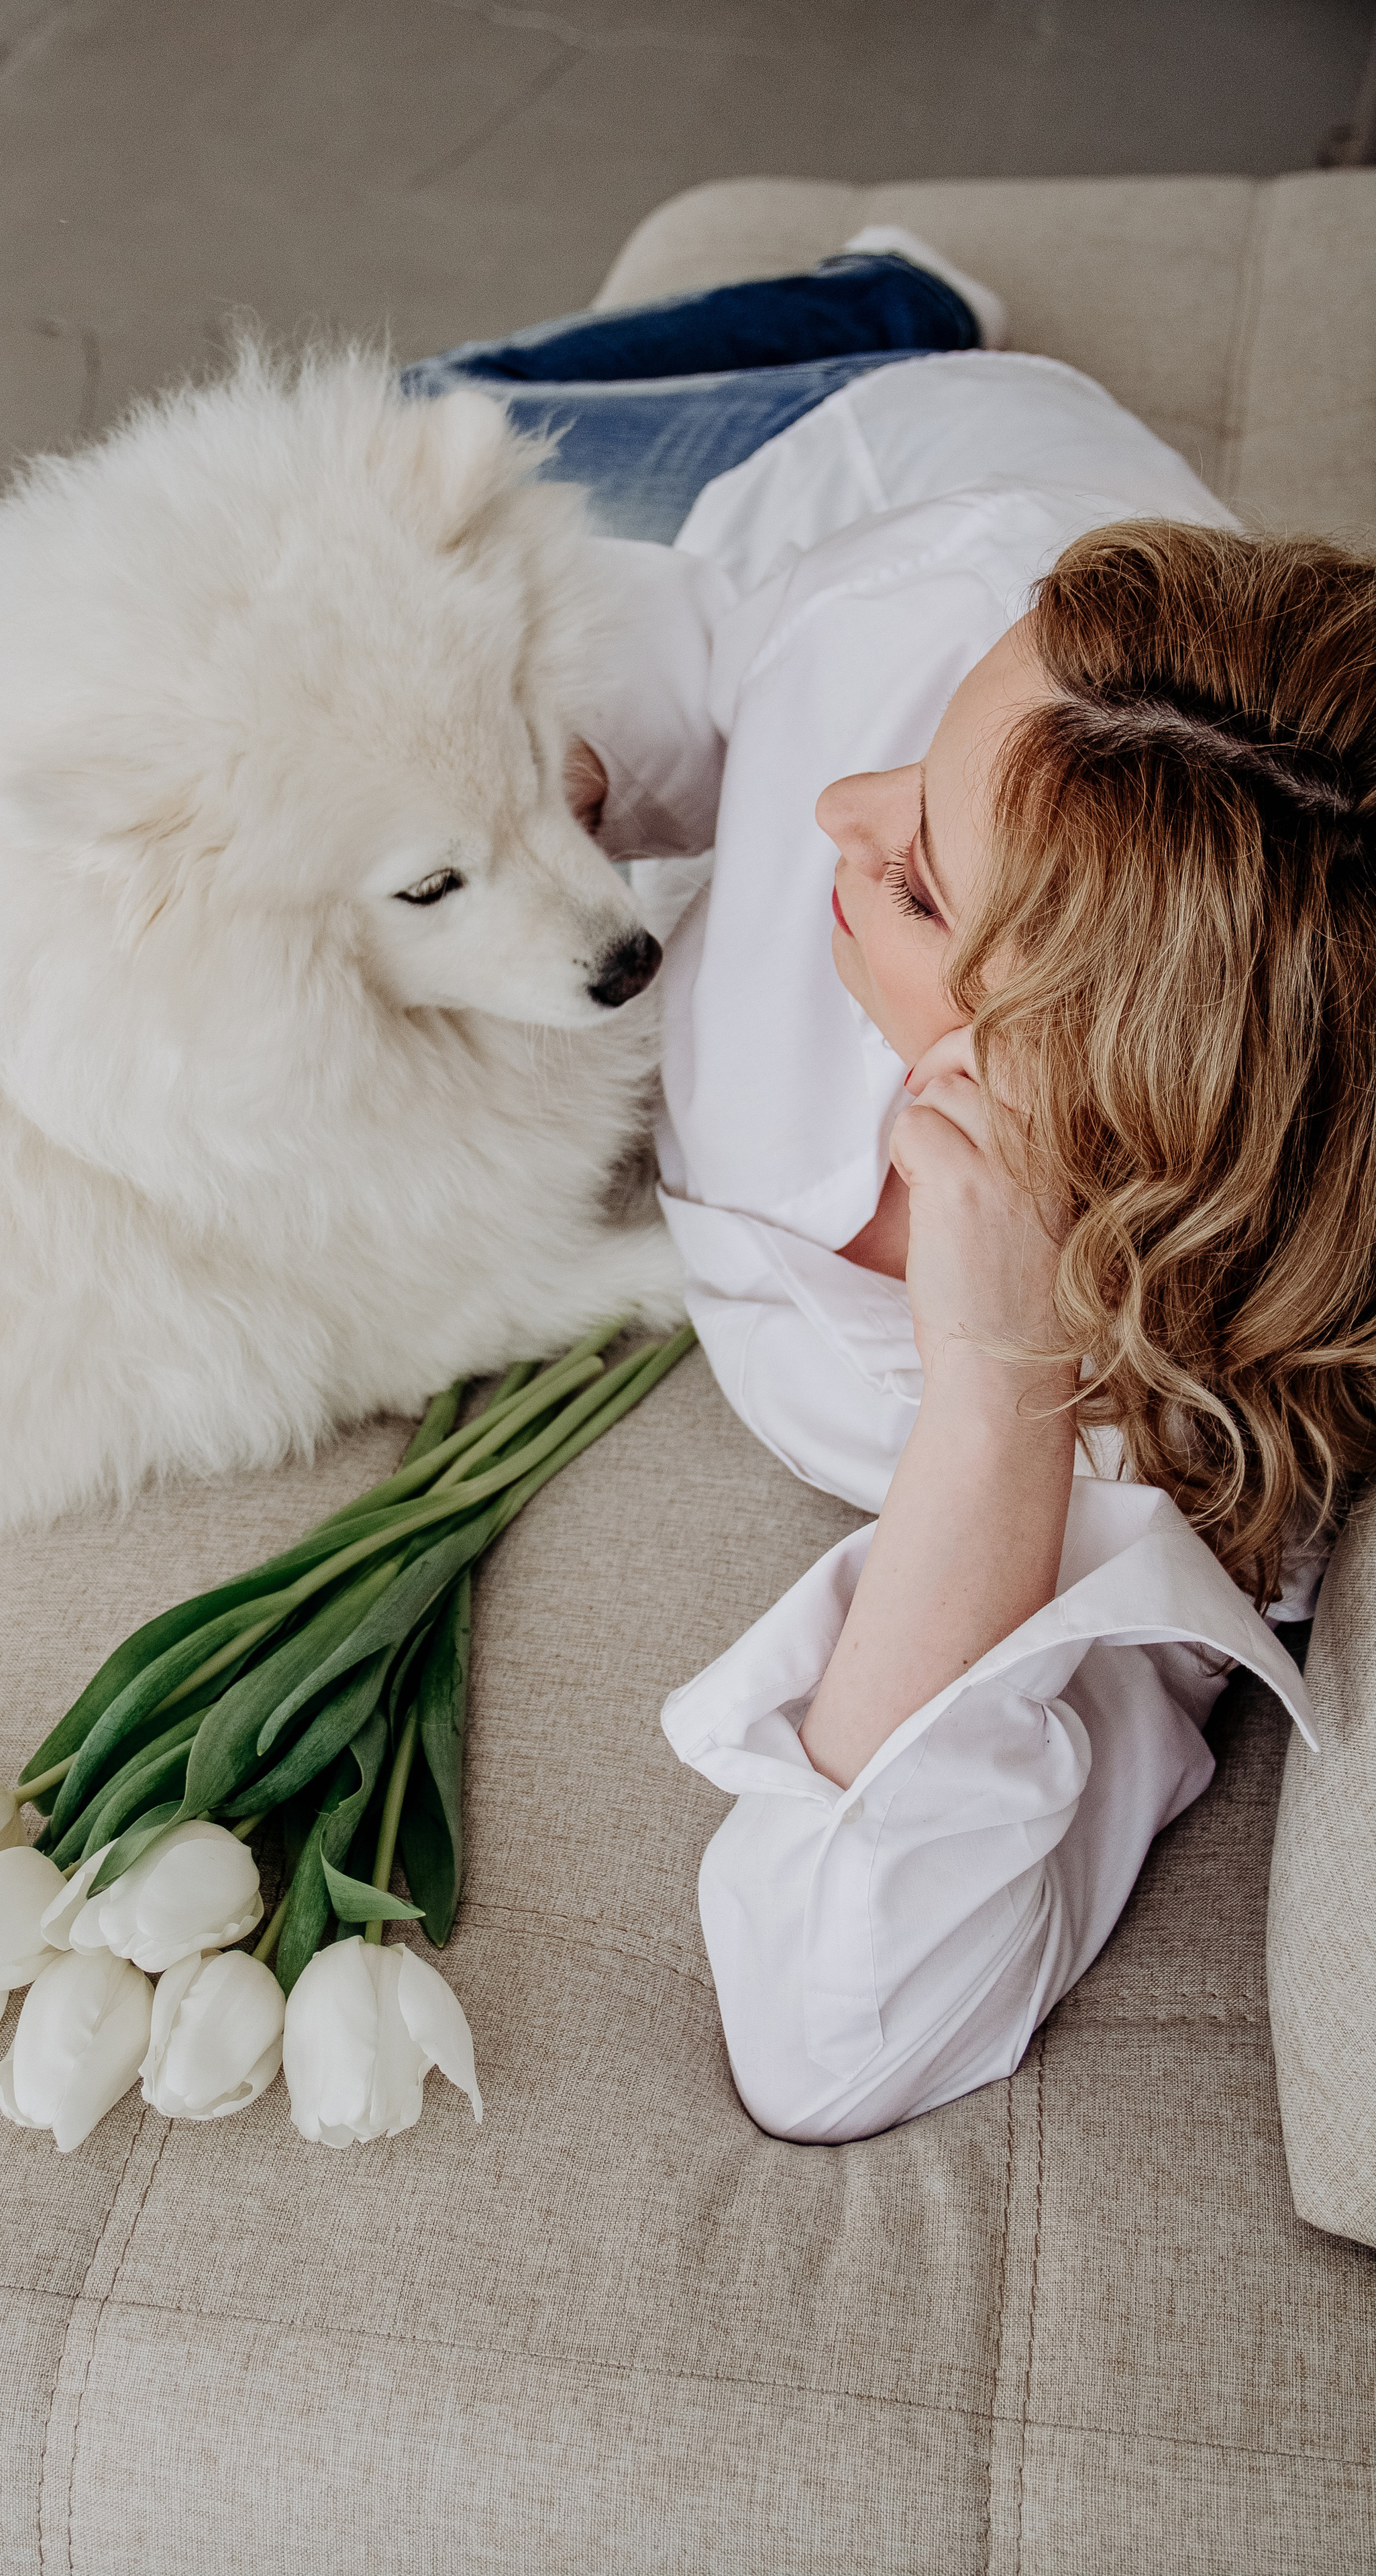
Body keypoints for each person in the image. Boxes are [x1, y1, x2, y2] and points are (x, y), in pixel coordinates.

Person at [413, 237, 1376, 2141]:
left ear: (1101, 1102)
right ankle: (884, 304)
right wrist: (564, 765)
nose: (842, 810)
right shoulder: (977, 613)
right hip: (863, 461)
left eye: (917, 883)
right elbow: (725, 660)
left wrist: (998, 1398)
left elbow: (833, 2040)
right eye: (916, 778)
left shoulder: (1121, 1459)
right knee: (364, 476)